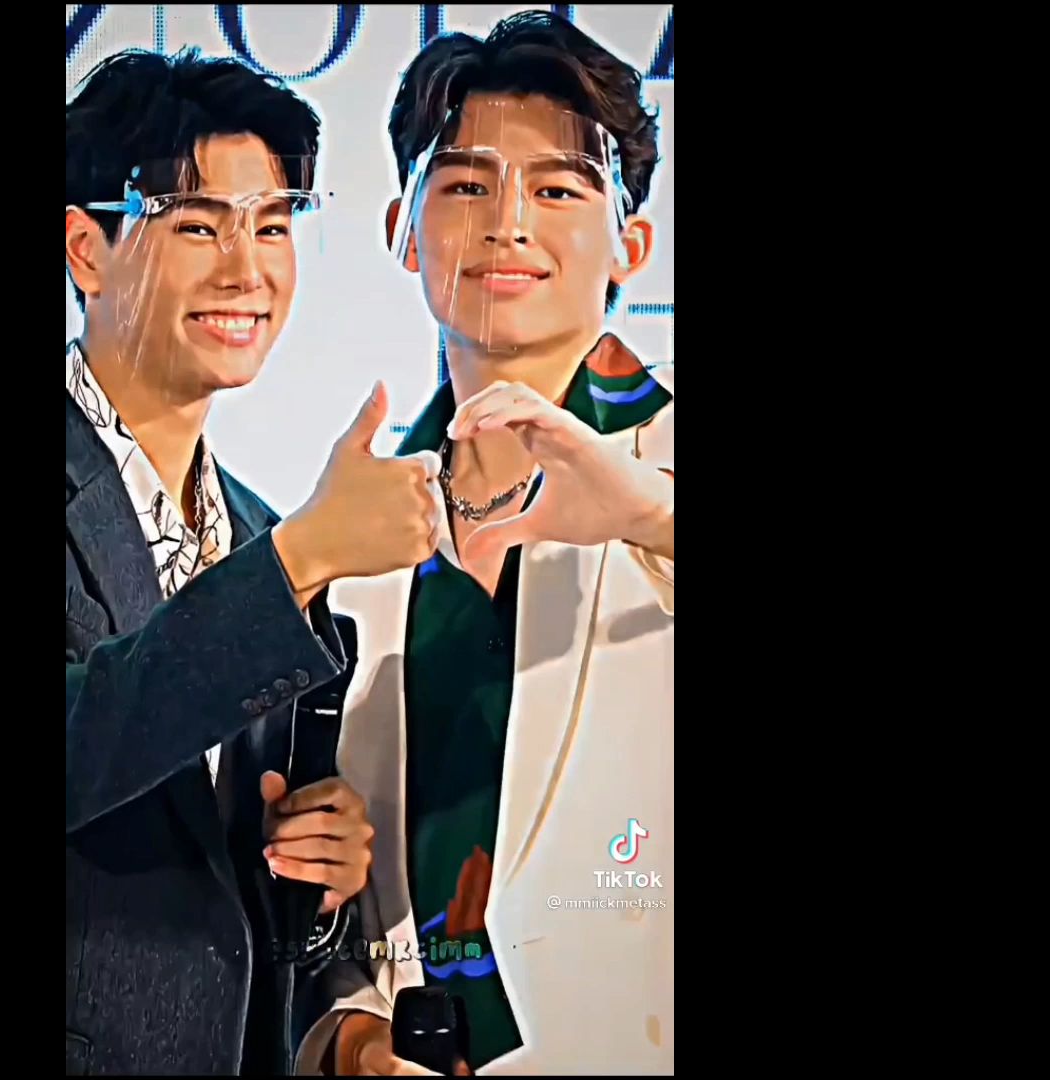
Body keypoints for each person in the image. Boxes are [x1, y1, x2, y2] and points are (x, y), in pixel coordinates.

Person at [297, 13, 677, 1075]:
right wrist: (346, 1031)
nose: (509, 224)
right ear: (402, 231)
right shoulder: (352, 529)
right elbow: (340, 889)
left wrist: (651, 515)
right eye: (466, 185)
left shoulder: (661, 467)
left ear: (632, 246)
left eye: (559, 191)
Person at [64, 48, 448, 1074]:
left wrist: (315, 885)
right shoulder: (283, 552)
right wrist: (302, 557)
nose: (247, 270)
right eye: (197, 225)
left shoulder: (253, 527)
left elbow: (231, 913)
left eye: (273, 225)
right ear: (87, 250)